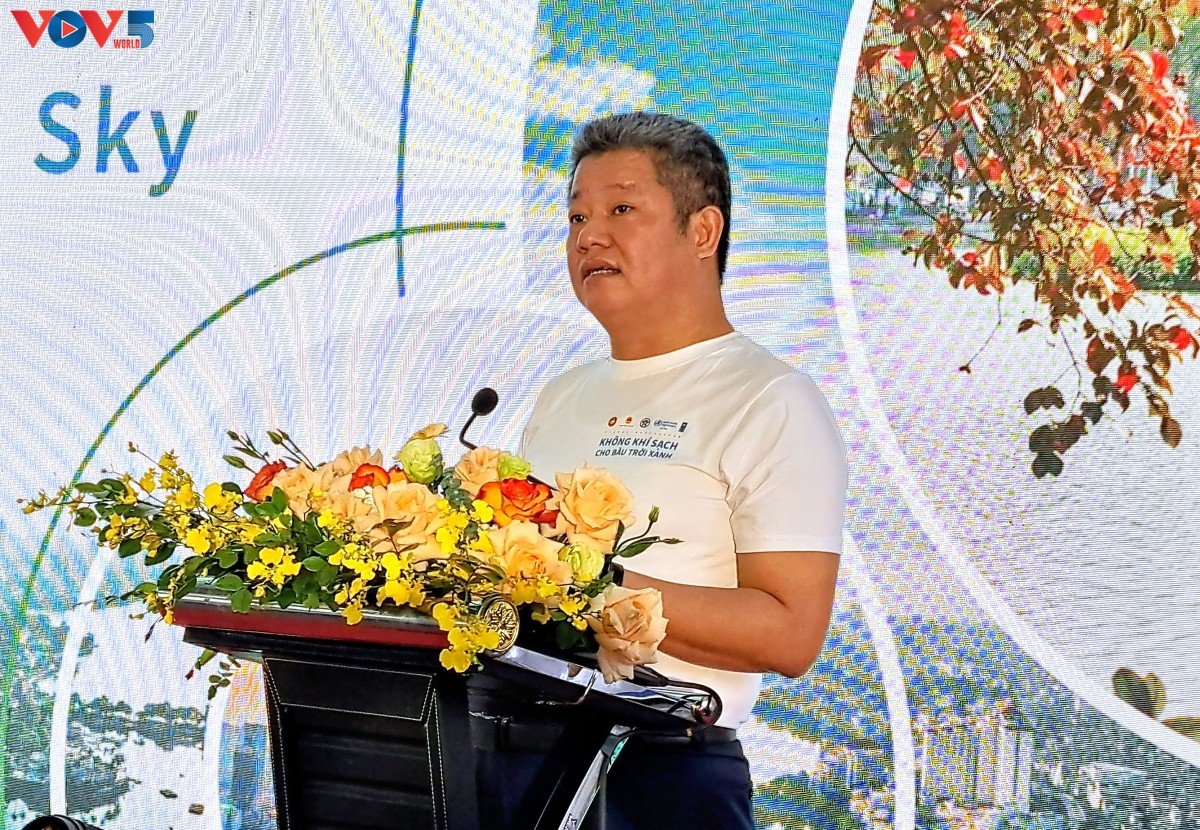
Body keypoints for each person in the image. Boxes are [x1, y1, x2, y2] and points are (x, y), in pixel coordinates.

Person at [480, 111, 847, 829]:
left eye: (621, 210)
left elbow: (790, 633)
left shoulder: (772, 399)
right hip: (521, 757)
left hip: (664, 774)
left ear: (702, 231)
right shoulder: (561, 397)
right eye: (577, 216)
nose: (589, 236)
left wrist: (590, 585)